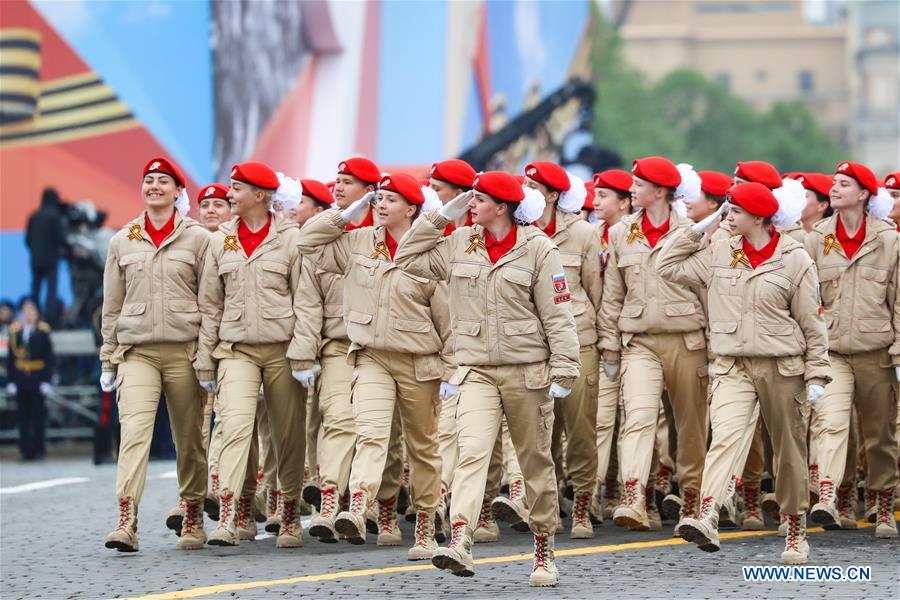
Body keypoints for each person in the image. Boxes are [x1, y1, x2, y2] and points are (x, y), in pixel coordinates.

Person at [394, 171, 580, 587]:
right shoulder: (461, 240)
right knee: (472, 451)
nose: (470, 204)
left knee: (535, 462)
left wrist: (565, 367)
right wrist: (443, 216)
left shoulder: (539, 249)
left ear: (503, 207)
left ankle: (544, 549)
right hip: (475, 368)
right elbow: (405, 257)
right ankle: (460, 538)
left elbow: (558, 313)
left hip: (527, 371)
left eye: (478, 199)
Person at [657, 182, 830, 564]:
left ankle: (795, 529)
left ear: (759, 216)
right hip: (732, 364)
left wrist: (817, 373)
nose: (726, 216)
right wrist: (700, 228)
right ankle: (707, 515)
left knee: (788, 449)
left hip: (782, 366)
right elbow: (664, 264)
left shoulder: (794, 258)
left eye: (734, 211)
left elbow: (812, 321)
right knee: (724, 438)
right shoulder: (720, 248)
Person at [297, 173, 450, 561]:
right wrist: (341, 216)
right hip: (371, 356)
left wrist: (452, 373)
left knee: (423, 448)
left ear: (412, 209)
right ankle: (359, 506)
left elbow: (448, 320)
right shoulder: (358, 242)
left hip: (420, 361)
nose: (380, 205)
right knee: (370, 433)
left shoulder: (431, 250)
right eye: (378, 198)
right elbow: (306, 242)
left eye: (391, 200)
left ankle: (427, 527)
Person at [196, 161, 308, 549]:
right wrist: (205, 359)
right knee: (235, 428)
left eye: (237, 188)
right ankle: (229, 515)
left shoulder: (292, 239)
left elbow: (305, 301)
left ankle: (290, 511)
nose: (229, 195)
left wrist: (305, 354)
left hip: (282, 350)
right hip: (235, 349)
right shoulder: (220, 241)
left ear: (260, 196)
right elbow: (211, 304)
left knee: (287, 435)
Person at [100, 158, 209, 552]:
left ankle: (193, 514)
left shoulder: (199, 239)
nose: (155, 187)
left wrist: (208, 357)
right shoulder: (121, 240)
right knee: (133, 436)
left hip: (185, 351)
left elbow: (210, 302)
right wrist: (108, 358)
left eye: (164, 181)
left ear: (179, 191)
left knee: (190, 438)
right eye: (149, 180)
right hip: (137, 353)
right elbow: (112, 306)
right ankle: (126, 521)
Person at [599, 157, 709, 536]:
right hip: (639, 341)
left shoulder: (694, 232)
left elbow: (708, 290)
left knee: (690, 425)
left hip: (687, 339)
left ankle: (692, 498)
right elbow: (612, 295)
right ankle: (634, 497)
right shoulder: (620, 233)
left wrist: (716, 345)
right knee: (639, 418)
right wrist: (610, 347)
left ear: (660, 191)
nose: (632, 189)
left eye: (639, 184)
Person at [806, 161, 899, 539]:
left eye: (845, 184)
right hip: (834, 353)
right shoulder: (816, 238)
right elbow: (808, 300)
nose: (835, 189)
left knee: (879, 434)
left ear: (864, 194)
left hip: (876, 350)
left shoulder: (889, 240)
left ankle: (882, 503)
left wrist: (898, 352)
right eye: (834, 183)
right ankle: (831, 496)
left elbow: (897, 300)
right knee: (831, 424)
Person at [293, 163, 377, 544]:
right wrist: (304, 355)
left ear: (369, 188)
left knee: (379, 434)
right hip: (339, 345)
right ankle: (330, 505)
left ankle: (375, 507)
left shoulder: (387, 234)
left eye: (347, 183)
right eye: (337, 182)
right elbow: (305, 245)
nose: (338, 187)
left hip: (384, 347)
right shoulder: (329, 235)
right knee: (339, 422)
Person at [526, 162, 602, 539]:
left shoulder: (583, 233)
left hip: (578, 339)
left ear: (553, 195)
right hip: (532, 344)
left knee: (580, 427)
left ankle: (584, 505)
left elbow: (595, 290)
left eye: (533, 186)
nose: (525, 190)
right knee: (541, 432)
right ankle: (548, 506)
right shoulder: (521, 231)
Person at [591, 169, 633, 519]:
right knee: (602, 420)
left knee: (634, 419)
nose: (595, 201)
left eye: (603, 196)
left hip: (634, 338)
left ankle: (634, 493)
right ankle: (591, 495)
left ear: (625, 201)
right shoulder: (591, 236)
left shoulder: (631, 237)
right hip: (599, 338)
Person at [6, 297, 54, 461]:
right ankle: (25, 449)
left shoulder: (42, 330)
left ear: (37, 314)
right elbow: (11, 359)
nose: (28, 315)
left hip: (37, 376)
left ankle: (39, 448)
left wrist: (47, 380)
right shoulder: (15, 331)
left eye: (32, 311)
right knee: (23, 416)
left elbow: (49, 358)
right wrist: (11, 381)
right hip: (21, 377)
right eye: (25, 311)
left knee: (38, 415)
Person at [26, 188, 66, 325]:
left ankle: (32, 318)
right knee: (51, 291)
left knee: (35, 290)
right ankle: (49, 320)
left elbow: (28, 240)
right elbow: (60, 238)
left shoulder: (34, 216)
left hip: (35, 259)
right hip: (51, 260)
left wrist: (36, 251)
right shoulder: (55, 216)